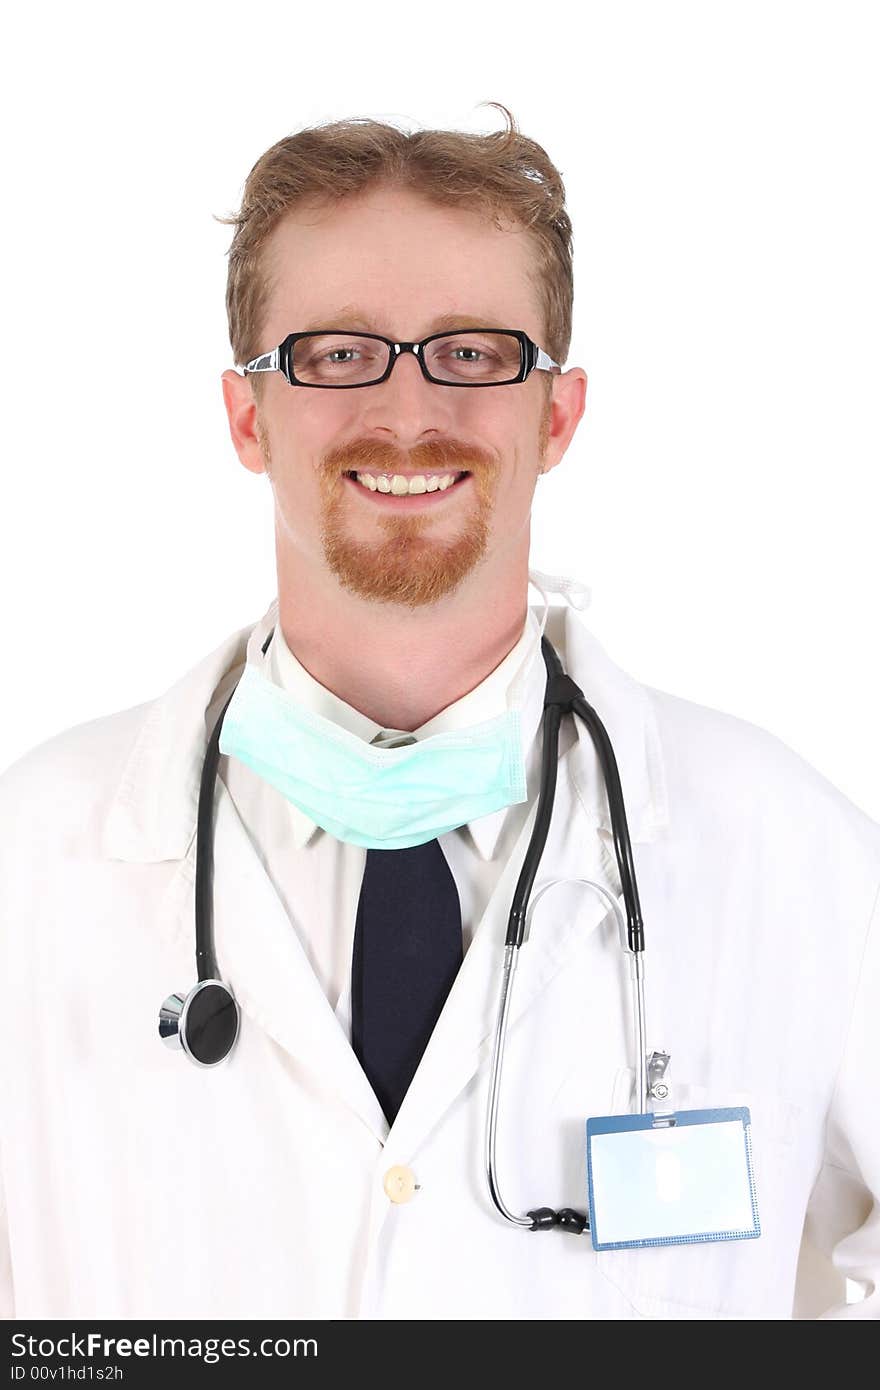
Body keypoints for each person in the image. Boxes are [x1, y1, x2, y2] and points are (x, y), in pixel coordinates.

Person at [0, 103, 877, 1323]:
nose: (408, 412)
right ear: (247, 415)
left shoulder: (792, 853)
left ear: (555, 414)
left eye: (471, 353)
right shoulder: (31, 857)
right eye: (337, 353)